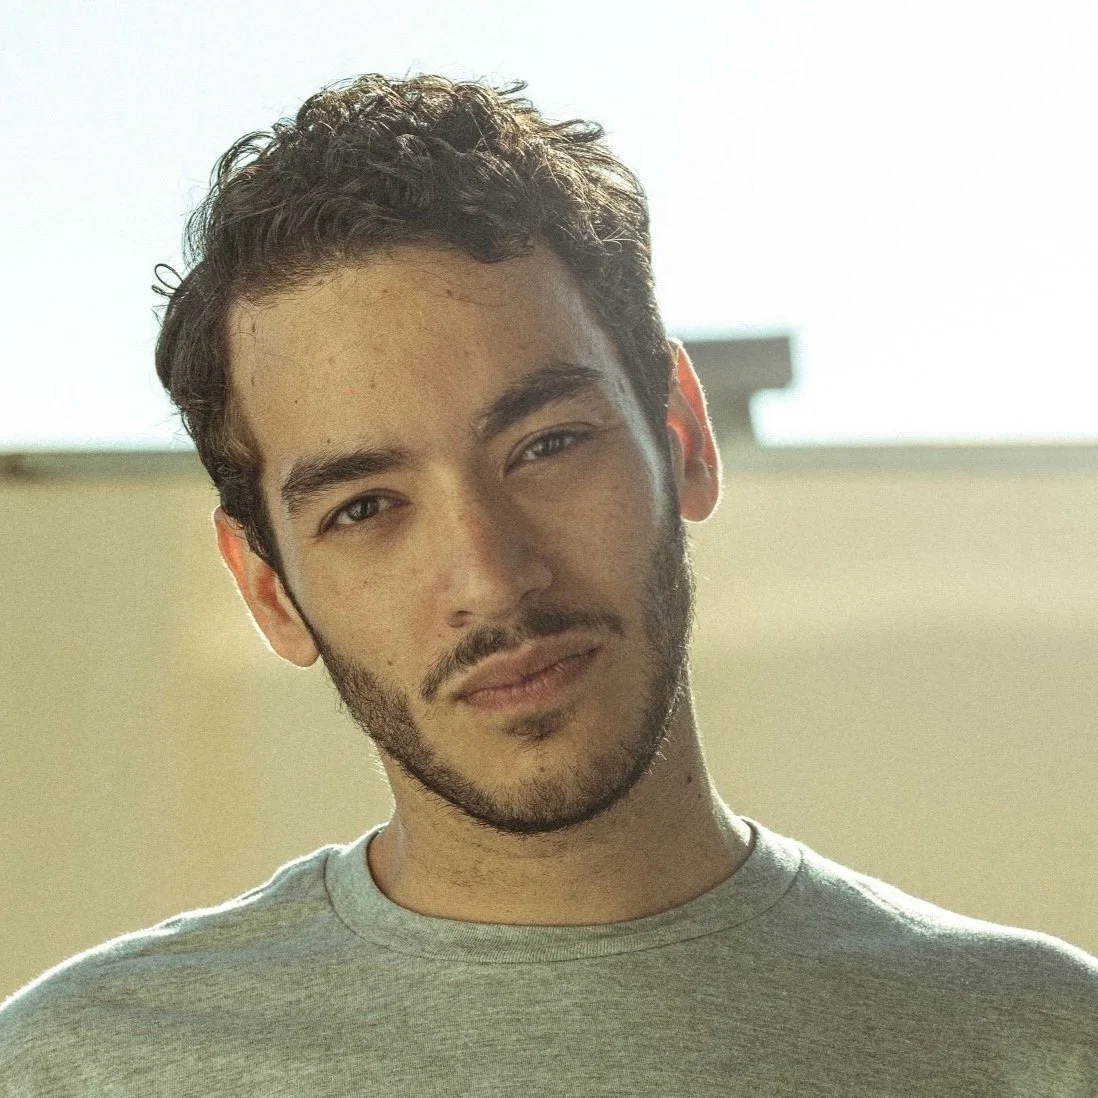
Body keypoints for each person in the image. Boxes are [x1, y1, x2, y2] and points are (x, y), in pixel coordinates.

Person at [1, 73, 1095, 1096]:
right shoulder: (75, 1072)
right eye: (366, 508)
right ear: (269, 591)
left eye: (548, 445)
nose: (491, 578)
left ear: (682, 439)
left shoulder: (1043, 1044)